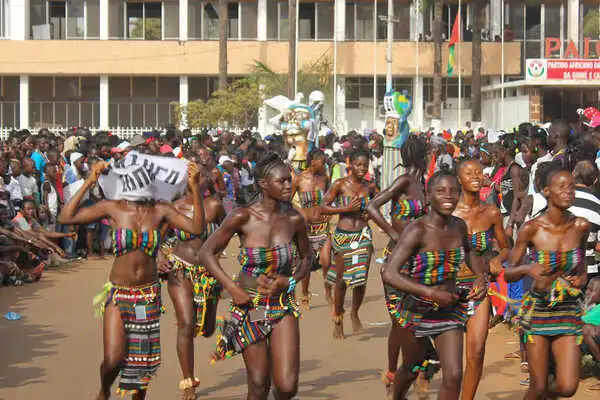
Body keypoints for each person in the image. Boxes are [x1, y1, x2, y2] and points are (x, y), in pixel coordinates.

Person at [58, 161, 204, 400]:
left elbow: (196, 228)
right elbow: (66, 217)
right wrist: (89, 181)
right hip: (119, 293)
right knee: (113, 359)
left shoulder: (161, 210)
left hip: (147, 295)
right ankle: (104, 390)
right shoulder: (113, 207)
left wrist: (195, 188)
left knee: (140, 364)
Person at [198, 152, 312, 400]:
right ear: (263, 184)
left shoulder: (294, 218)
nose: (287, 185)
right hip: (250, 307)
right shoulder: (243, 216)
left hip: (282, 305)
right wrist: (233, 288)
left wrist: (290, 280)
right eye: (281, 181)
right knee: (259, 384)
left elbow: (307, 257)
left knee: (286, 387)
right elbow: (206, 252)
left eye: (288, 179)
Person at [381, 166, 486, 400]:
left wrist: (481, 277)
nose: (448, 196)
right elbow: (390, 273)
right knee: (412, 367)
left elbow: (469, 253)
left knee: (454, 376)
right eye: (440, 191)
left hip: (449, 309)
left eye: (453, 191)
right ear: (428, 197)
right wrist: (430, 293)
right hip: (414, 310)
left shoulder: (459, 226)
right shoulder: (416, 230)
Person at [505, 165, 589, 399]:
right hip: (538, 311)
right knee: (538, 387)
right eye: (561, 187)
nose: (568, 192)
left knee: (567, 387)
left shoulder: (581, 226)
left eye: (571, 186)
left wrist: (581, 278)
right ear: (546, 191)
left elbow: (581, 263)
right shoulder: (531, 229)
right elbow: (508, 274)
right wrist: (527, 268)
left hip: (568, 312)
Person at [366, 135, 428, 395]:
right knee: (399, 320)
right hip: (397, 260)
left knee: (422, 316)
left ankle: (418, 369)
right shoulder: (404, 181)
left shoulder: (425, 185)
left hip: (422, 261)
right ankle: (394, 371)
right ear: (422, 157)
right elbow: (372, 206)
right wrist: (392, 233)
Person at [157, 166, 225, 400]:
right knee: (186, 323)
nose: (199, 179)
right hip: (180, 268)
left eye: (204, 175)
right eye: (194, 176)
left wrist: (215, 256)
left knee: (206, 329)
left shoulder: (215, 206)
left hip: (208, 272)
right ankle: (188, 381)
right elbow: (156, 237)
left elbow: (228, 231)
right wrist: (159, 256)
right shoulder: (175, 208)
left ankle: (211, 309)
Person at [453, 159, 509, 400]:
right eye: (469, 173)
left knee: (476, 352)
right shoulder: (448, 211)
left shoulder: (491, 212)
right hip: (447, 290)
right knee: (451, 364)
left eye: (478, 172)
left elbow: (506, 247)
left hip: (479, 289)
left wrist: (497, 259)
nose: (476, 176)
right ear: (459, 179)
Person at [320, 149, 374, 339]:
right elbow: (322, 206)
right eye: (358, 164)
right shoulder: (340, 185)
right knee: (342, 281)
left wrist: (368, 213)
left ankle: (355, 312)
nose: (362, 168)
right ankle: (338, 318)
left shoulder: (370, 187)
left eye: (365, 165)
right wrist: (344, 208)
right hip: (344, 236)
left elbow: (375, 206)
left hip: (363, 236)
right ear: (350, 164)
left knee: (360, 281)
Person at [291, 149, 332, 310]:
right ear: (312, 162)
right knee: (306, 264)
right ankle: (305, 293)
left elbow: (329, 198)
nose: (324, 164)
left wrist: (329, 210)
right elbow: (288, 201)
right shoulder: (299, 179)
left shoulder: (325, 179)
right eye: (321, 162)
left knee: (326, 262)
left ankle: (328, 292)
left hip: (323, 226)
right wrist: (299, 211)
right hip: (306, 228)